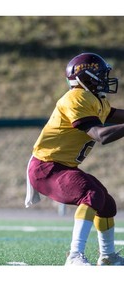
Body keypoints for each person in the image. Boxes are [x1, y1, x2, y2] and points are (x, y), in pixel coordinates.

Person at [25, 52, 124, 266]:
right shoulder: (76, 98)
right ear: (87, 77)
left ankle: (107, 256)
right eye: (101, 74)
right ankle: (74, 255)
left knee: (106, 204)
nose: (106, 78)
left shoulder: (94, 99)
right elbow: (100, 135)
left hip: (61, 166)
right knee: (91, 193)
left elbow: (117, 115)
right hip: (46, 168)